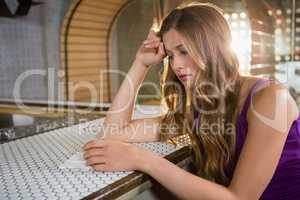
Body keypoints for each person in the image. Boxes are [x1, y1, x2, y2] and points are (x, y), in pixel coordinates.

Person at [83, 2, 300, 199]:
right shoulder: (203, 112)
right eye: (170, 55)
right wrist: (141, 64)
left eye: (184, 51)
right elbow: (113, 132)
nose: (176, 65)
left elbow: (240, 198)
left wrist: (143, 159)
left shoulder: (272, 98)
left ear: (213, 47)